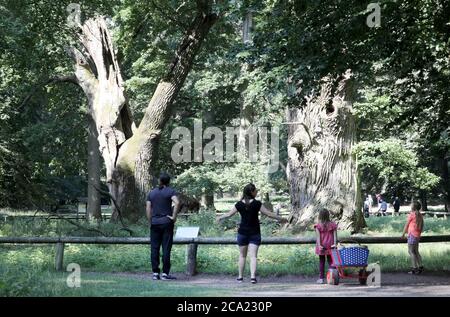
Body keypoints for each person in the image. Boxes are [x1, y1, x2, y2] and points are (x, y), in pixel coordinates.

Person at [216, 183, 288, 284]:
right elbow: (269, 214)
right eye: (255, 190)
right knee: (253, 256)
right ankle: (253, 278)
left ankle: (240, 278)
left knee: (242, 256)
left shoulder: (239, 204)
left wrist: (220, 218)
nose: (257, 192)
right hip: (254, 233)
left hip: (242, 233)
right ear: (251, 192)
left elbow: (229, 214)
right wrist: (281, 218)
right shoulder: (257, 203)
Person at [146, 172, 180, 281]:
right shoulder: (170, 191)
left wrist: (150, 221)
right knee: (166, 248)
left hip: (155, 222)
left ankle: (155, 273)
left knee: (154, 248)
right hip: (166, 222)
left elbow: (148, 208)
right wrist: (174, 217)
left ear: (159, 181)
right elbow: (177, 202)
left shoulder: (151, 193)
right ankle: (165, 273)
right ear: (168, 181)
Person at [314, 209, 338, 284]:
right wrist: (335, 244)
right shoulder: (333, 225)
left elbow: (318, 237)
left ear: (320, 216)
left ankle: (321, 278)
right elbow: (335, 236)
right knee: (331, 261)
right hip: (330, 245)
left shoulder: (318, 226)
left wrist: (320, 245)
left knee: (322, 261)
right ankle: (332, 277)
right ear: (328, 215)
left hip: (322, 245)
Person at [401, 201, 424, 274]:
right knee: (416, 251)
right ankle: (420, 266)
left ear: (413, 207)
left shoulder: (412, 214)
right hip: (417, 235)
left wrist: (403, 234)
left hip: (412, 235)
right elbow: (422, 226)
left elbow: (406, 225)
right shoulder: (420, 215)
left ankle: (414, 268)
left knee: (411, 251)